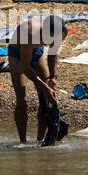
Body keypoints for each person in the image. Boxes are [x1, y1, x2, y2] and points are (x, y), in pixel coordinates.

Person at [8, 15, 68, 143]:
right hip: (18, 54)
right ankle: (22, 142)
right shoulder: (30, 34)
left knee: (45, 97)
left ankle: (40, 140)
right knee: (21, 96)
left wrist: (52, 77)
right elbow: (25, 67)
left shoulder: (61, 31)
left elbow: (53, 53)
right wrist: (44, 85)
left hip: (37, 51)